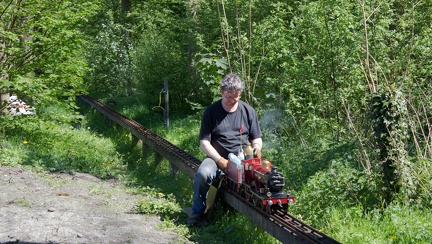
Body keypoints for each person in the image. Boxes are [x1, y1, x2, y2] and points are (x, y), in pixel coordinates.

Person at [188, 73, 263, 225]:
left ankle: (254, 217)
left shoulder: (248, 111)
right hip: (216, 157)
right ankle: (197, 213)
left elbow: (256, 137)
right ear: (222, 92)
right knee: (203, 174)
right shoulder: (211, 112)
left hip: (242, 158)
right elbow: (204, 142)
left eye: (236, 97)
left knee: (261, 178)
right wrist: (219, 159)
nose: (232, 101)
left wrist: (257, 147)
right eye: (228, 97)